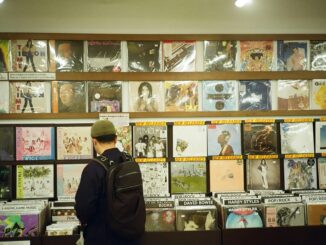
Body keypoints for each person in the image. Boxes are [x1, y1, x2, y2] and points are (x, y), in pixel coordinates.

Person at [75, 120, 141, 245]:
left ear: (94, 141)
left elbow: (83, 209)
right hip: (132, 236)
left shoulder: (93, 168)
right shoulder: (130, 162)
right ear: (116, 139)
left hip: (102, 237)